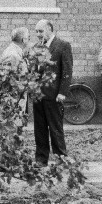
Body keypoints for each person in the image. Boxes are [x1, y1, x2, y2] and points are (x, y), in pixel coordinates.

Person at [32, 19, 72, 166]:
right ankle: (41, 159)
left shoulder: (62, 46)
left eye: (40, 31)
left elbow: (67, 71)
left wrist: (62, 92)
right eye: (36, 31)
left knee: (55, 127)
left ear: (49, 29)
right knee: (40, 128)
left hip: (54, 95)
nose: (38, 34)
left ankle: (61, 157)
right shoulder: (37, 47)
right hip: (38, 94)